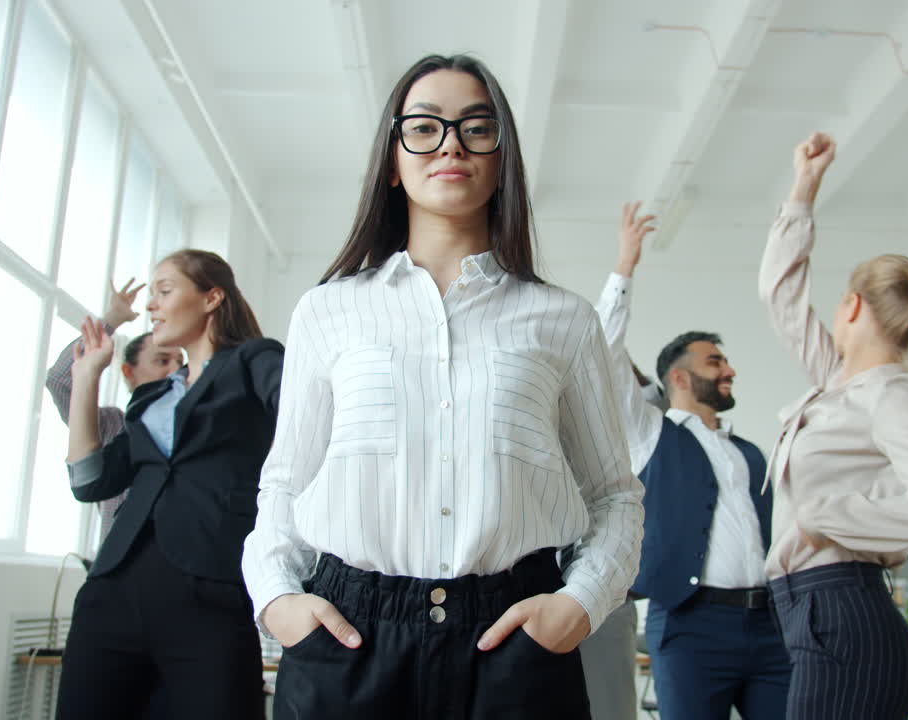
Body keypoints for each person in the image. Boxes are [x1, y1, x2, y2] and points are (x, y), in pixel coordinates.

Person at [242, 54, 644, 720]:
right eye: (424, 127)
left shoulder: (565, 321)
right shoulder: (328, 311)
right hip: (349, 642)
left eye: (476, 126)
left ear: (502, 156)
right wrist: (277, 599)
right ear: (392, 160)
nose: (451, 142)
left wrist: (580, 603)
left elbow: (613, 494)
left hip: (513, 645)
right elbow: (285, 482)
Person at [759, 132, 908, 719]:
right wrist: (804, 186)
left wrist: (825, 516)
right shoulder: (840, 383)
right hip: (813, 616)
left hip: (843, 618)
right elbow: (779, 296)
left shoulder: (893, 394)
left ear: (852, 306)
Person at [56, 250, 284, 719]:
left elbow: (309, 422)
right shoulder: (151, 396)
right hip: (113, 588)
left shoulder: (254, 361)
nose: (150, 306)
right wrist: (86, 377)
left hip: (210, 588)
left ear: (211, 298)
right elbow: (90, 480)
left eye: (164, 291)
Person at [592, 202, 790, 719]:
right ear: (679, 378)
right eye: (715, 361)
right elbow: (603, 349)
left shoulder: (748, 452)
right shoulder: (649, 432)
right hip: (690, 625)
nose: (729, 370)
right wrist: (625, 264)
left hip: (769, 627)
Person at [44, 279, 183, 542]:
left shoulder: (194, 423)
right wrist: (112, 319)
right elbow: (60, 382)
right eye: (162, 360)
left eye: (180, 361)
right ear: (128, 373)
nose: (176, 371)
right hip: (119, 568)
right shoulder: (113, 425)